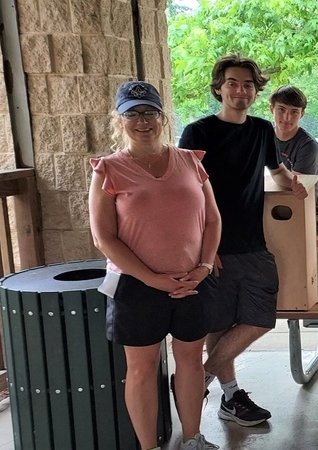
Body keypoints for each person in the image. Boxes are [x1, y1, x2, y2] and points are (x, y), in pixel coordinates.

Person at [89, 81, 221, 450]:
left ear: (163, 117)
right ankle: (149, 447)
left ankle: (193, 438)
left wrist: (205, 266)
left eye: (149, 112)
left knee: (192, 362)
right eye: (132, 113)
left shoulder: (190, 161)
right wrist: (153, 279)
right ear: (119, 120)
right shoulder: (108, 170)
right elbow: (104, 238)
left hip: (193, 280)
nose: (142, 121)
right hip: (136, 286)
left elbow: (213, 220)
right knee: (142, 369)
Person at [179, 54, 309, 426]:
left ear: (256, 91)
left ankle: (196, 378)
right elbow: (186, 193)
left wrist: (292, 185)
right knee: (218, 325)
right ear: (219, 88)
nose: (241, 91)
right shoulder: (197, 133)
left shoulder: (261, 130)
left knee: (260, 318)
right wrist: (206, 250)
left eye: (248, 85)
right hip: (211, 248)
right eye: (233, 83)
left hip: (253, 242)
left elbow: (278, 171)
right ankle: (232, 396)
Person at [270, 85, 318, 233]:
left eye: (294, 112)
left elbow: (296, 184)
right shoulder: (264, 137)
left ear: (302, 114)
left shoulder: (308, 145)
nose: (287, 118)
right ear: (272, 109)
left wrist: (275, 175)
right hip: (276, 205)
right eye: (281, 109)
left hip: (309, 209)